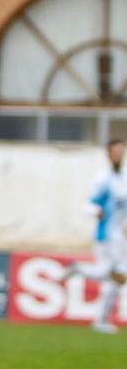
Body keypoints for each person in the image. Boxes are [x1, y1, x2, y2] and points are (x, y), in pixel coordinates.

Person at [62, 138, 127, 334]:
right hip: (106, 235)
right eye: (115, 151)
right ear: (109, 154)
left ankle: (101, 320)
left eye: (121, 151)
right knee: (118, 275)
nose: (118, 154)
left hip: (119, 236)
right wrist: (95, 211)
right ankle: (101, 319)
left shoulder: (124, 177)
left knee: (112, 276)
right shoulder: (103, 179)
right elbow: (88, 205)